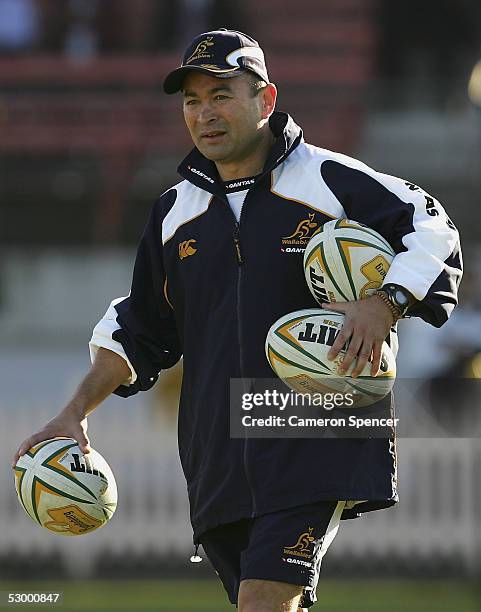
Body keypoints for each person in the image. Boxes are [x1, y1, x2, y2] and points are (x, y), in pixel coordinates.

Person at [13, 29, 462, 611]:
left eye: (222, 94)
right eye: (192, 101)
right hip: (216, 453)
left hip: (313, 430)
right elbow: (139, 325)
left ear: (266, 100)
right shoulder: (174, 214)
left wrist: (385, 303)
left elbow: (435, 231)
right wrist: (73, 412)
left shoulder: (329, 179)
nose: (206, 113)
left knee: (262, 604)